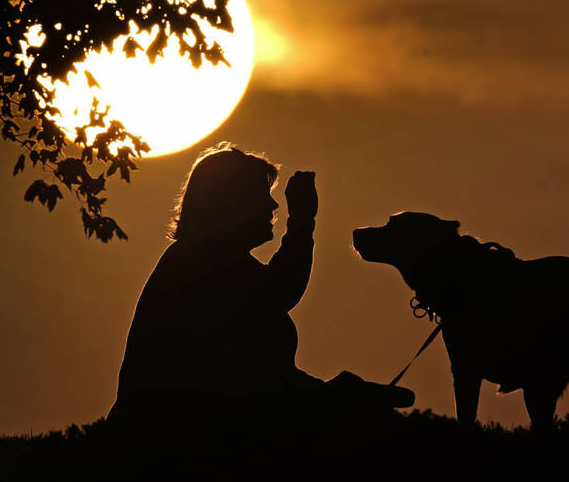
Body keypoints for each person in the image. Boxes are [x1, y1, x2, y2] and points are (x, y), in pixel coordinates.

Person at [108, 142, 413, 431]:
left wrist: (338, 394)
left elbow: (261, 374)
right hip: (172, 446)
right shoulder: (202, 261)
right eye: (260, 193)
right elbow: (278, 294)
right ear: (230, 203)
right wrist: (301, 222)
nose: (273, 204)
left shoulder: (208, 260)